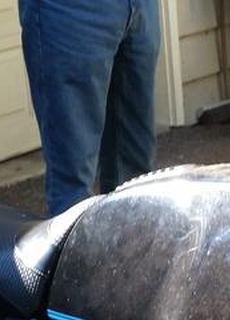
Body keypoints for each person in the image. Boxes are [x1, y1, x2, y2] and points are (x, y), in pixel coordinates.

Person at [18, 0, 161, 216]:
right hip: (71, 10)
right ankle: (77, 250)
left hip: (141, 8)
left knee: (136, 182)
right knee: (73, 196)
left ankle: (126, 248)